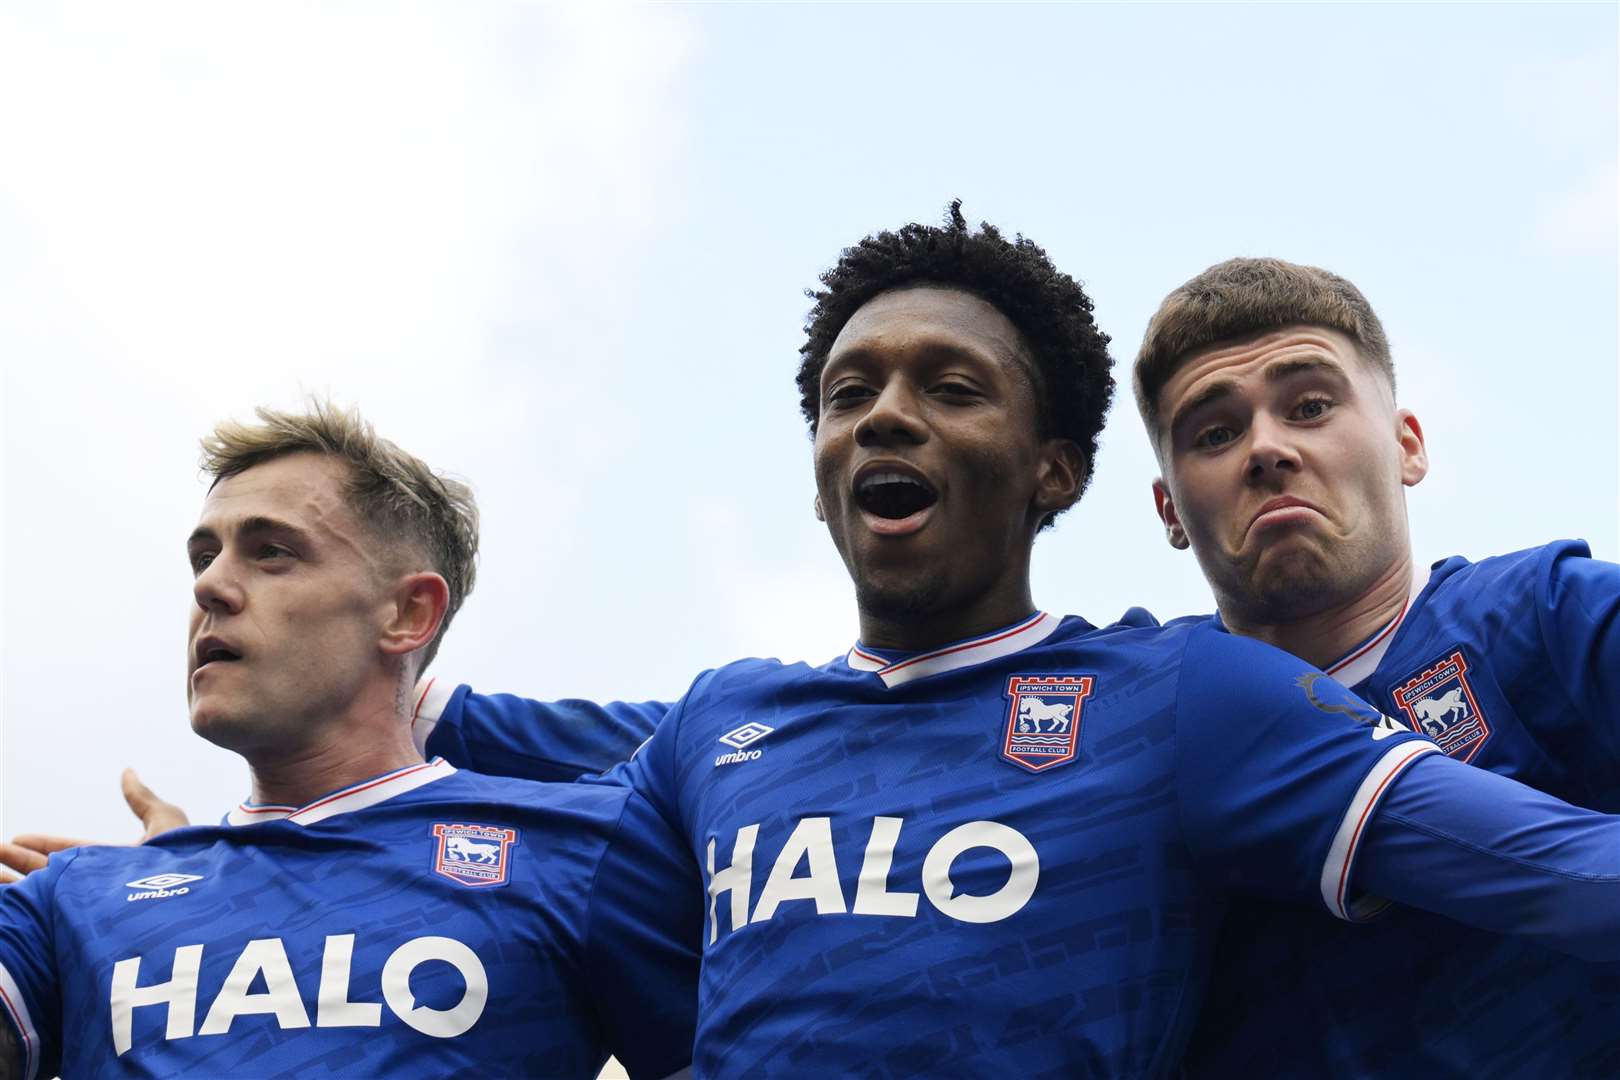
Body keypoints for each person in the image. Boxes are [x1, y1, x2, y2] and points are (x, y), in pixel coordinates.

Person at [14, 209, 1620, 1076]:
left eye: (950, 387)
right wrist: (216, 888)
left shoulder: (1188, 698)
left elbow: (1551, 870)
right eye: (850, 394)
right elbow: (637, 979)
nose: (886, 418)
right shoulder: (723, 736)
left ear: (1056, 474)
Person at [0, 404, 700, 1079]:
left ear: (406, 612)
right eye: (203, 557)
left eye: (271, 552)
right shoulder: (77, 899)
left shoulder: (578, 851)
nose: (210, 586)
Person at [1133, 256, 1620, 1077]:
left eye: (1311, 406)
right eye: (1215, 433)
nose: (1267, 449)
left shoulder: (1552, 613)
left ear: (1408, 445)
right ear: (1170, 511)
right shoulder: (1138, 716)